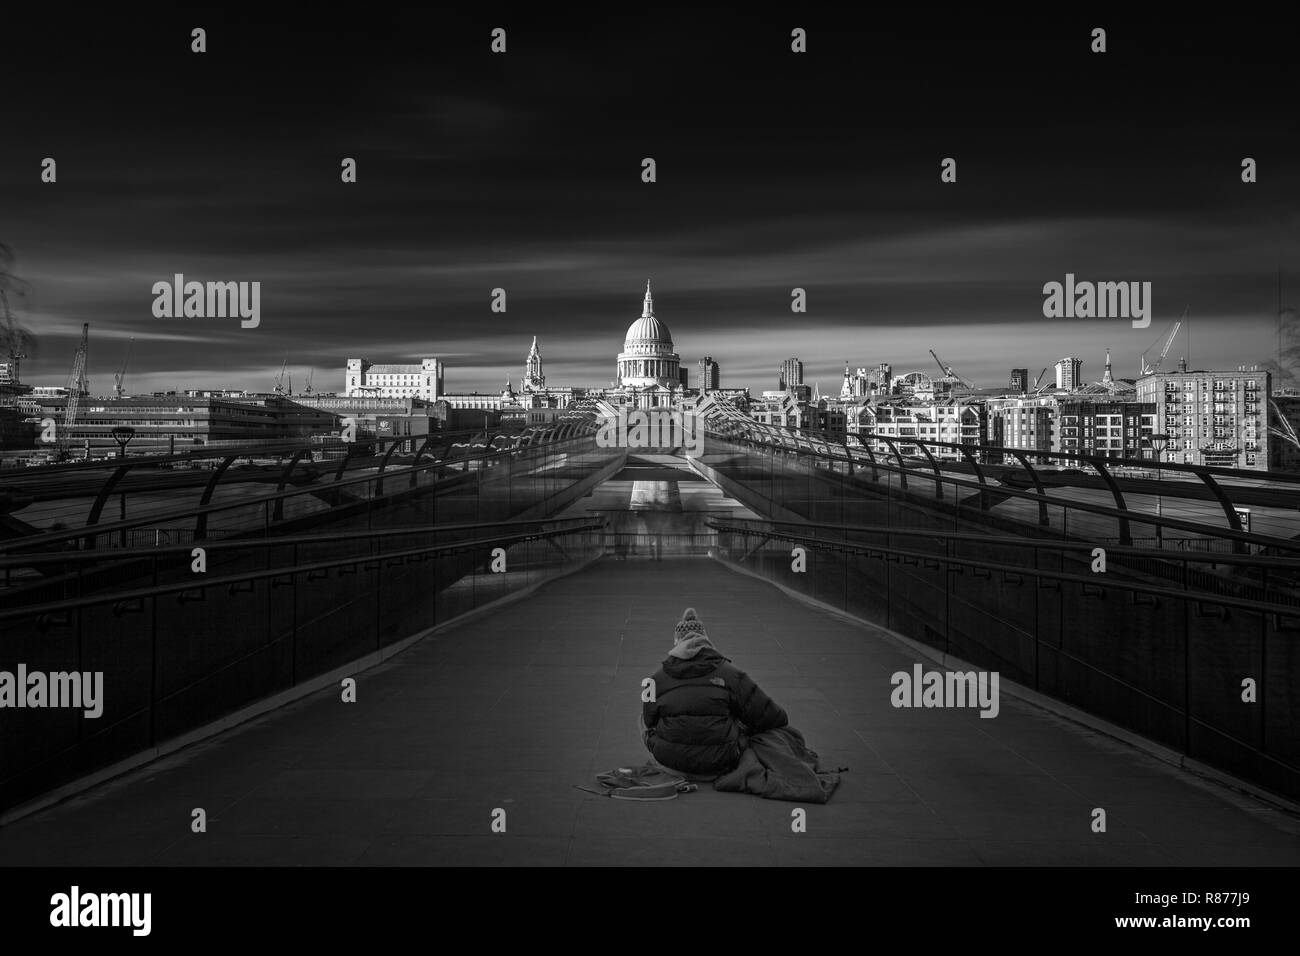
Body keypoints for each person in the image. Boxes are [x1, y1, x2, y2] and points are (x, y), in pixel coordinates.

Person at [640, 607, 788, 778]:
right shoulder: (731, 674)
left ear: (676, 642)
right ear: (706, 640)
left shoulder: (655, 680)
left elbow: (649, 721)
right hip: (720, 763)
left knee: (643, 717)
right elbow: (772, 717)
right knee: (737, 710)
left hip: (670, 761)